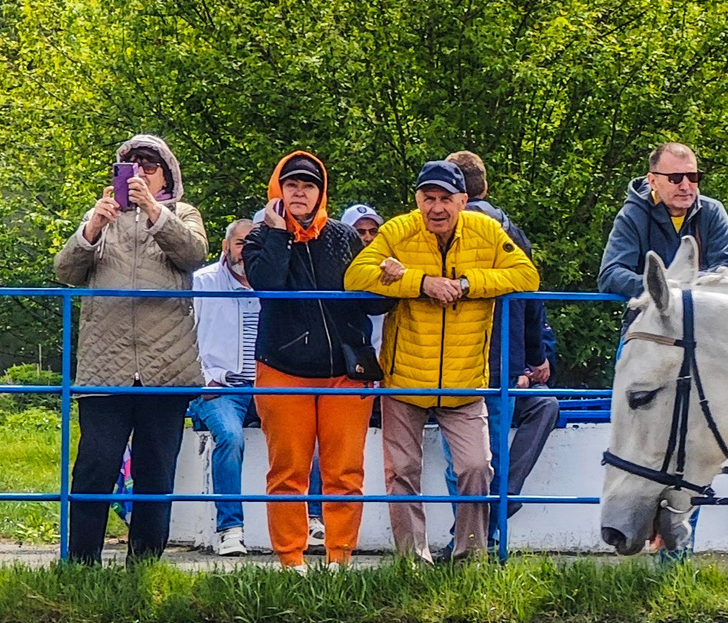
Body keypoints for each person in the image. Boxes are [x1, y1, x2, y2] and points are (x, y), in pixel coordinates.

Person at [348, 159, 539, 561]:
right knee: (402, 473)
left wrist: (468, 284)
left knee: (475, 468)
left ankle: (470, 554)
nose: (436, 207)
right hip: (404, 377)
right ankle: (411, 560)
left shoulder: (488, 232)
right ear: (417, 199)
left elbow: (526, 275)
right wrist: (420, 283)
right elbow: (355, 275)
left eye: (445, 199)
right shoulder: (398, 230)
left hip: (466, 378)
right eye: (428, 198)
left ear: (463, 200)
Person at [53, 134, 208, 565]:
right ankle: (81, 564)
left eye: (149, 164)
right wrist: (93, 227)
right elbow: (65, 271)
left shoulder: (182, 213)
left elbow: (194, 254)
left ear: (167, 174)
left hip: (167, 366)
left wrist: (155, 212)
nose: (139, 171)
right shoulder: (102, 216)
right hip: (106, 365)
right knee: (94, 467)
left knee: (155, 471)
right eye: (131, 163)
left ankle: (144, 566)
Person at [247, 152, 388, 570]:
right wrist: (277, 234)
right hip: (281, 369)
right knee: (287, 472)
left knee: (345, 473)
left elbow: (377, 304)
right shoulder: (258, 236)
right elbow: (267, 285)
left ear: (321, 192)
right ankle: (291, 561)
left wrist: (391, 274)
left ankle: (339, 560)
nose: (300, 192)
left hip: (346, 372)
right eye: (291, 185)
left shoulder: (346, 236)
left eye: (308, 186)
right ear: (278, 190)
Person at [448, 150, 560, 542]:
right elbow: (530, 298)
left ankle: (468, 538)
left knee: (463, 460)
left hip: (456, 360)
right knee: (488, 453)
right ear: (485, 185)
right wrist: (534, 357)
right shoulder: (511, 232)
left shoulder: (442, 229)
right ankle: (489, 532)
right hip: (503, 359)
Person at [191, 218, 260, 557]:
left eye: (253, 243)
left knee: (308, 432)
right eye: (240, 242)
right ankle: (230, 530)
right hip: (220, 387)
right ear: (226, 246)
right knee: (230, 437)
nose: (246, 250)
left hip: (269, 387)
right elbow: (182, 336)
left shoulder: (274, 281)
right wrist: (203, 380)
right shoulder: (202, 282)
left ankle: (313, 522)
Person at [598, 142, 728, 298]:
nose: (686, 186)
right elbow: (610, 275)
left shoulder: (712, 212)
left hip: (703, 315)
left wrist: (683, 284)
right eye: (675, 178)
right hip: (649, 315)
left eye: (693, 177)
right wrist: (659, 286)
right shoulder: (633, 215)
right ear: (653, 181)